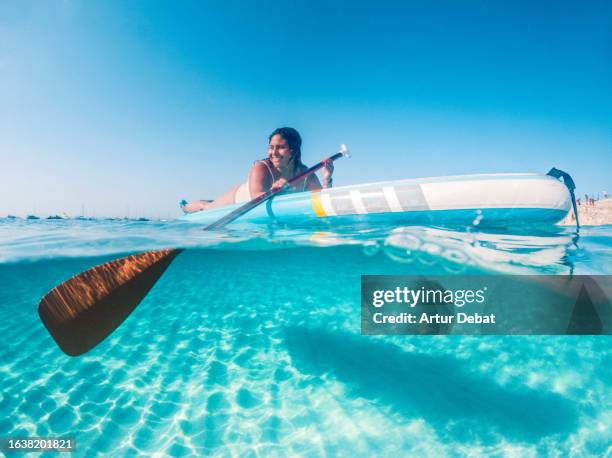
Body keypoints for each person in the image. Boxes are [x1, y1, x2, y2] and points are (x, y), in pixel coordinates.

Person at [181, 127, 334, 213]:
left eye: (280, 148)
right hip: (239, 197)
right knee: (207, 207)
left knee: (210, 203)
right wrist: (279, 191)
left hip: (254, 197)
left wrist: (327, 177)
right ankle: (185, 206)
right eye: (271, 147)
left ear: (293, 151)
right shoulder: (261, 167)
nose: (273, 152)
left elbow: (321, 199)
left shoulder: (305, 173)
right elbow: (256, 197)